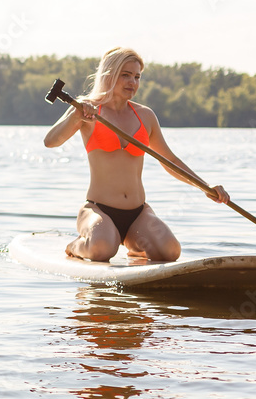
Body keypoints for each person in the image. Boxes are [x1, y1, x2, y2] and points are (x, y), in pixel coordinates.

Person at [43, 47, 230, 262]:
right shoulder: (87, 109)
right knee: (102, 249)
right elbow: (50, 142)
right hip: (98, 210)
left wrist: (205, 186)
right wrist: (76, 117)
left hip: (137, 213)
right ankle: (76, 246)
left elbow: (170, 160)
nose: (132, 82)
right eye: (125, 75)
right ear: (109, 74)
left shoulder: (145, 115)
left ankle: (133, 244)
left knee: (170, 252)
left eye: (137, 76)